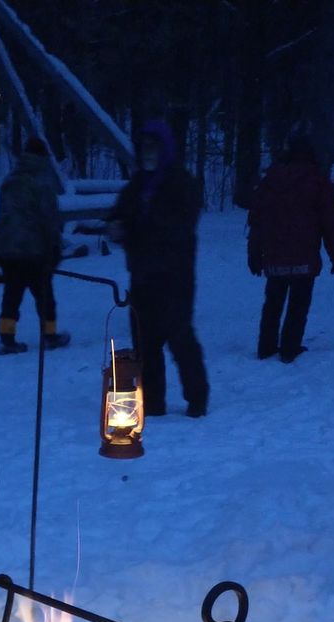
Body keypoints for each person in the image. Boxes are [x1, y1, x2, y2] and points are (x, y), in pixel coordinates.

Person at [107, 120, 209, 416]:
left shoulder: (181, 183)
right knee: (145, 344)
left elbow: (179, 226)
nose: (148, 153)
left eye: (154, 147)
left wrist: (139, 227)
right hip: (142, 277)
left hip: (175, 277)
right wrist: (116, 226)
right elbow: (119, 216)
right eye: (144, 147)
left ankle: (197, 399)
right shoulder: (136, 186)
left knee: (180, 340)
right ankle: (152, 402)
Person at [246, 131, 334, 363]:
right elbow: (331, 222)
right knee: (298, 305)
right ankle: (289, 347)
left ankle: (266, 346)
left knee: (273, 302)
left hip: (275, 256)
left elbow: (257, 220)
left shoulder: (271, 180)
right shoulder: (317, 181)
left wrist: (254, 253)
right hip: (304, 256)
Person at [0, 136, 69, 354]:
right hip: (34, 249)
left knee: (11, 294)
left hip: (9, 248)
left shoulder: (10, 181)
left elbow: (3, 216)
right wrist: (54, 245)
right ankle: (50, 335)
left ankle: (7, 338)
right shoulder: (41, 182)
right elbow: (49, 218)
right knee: (44, 295)